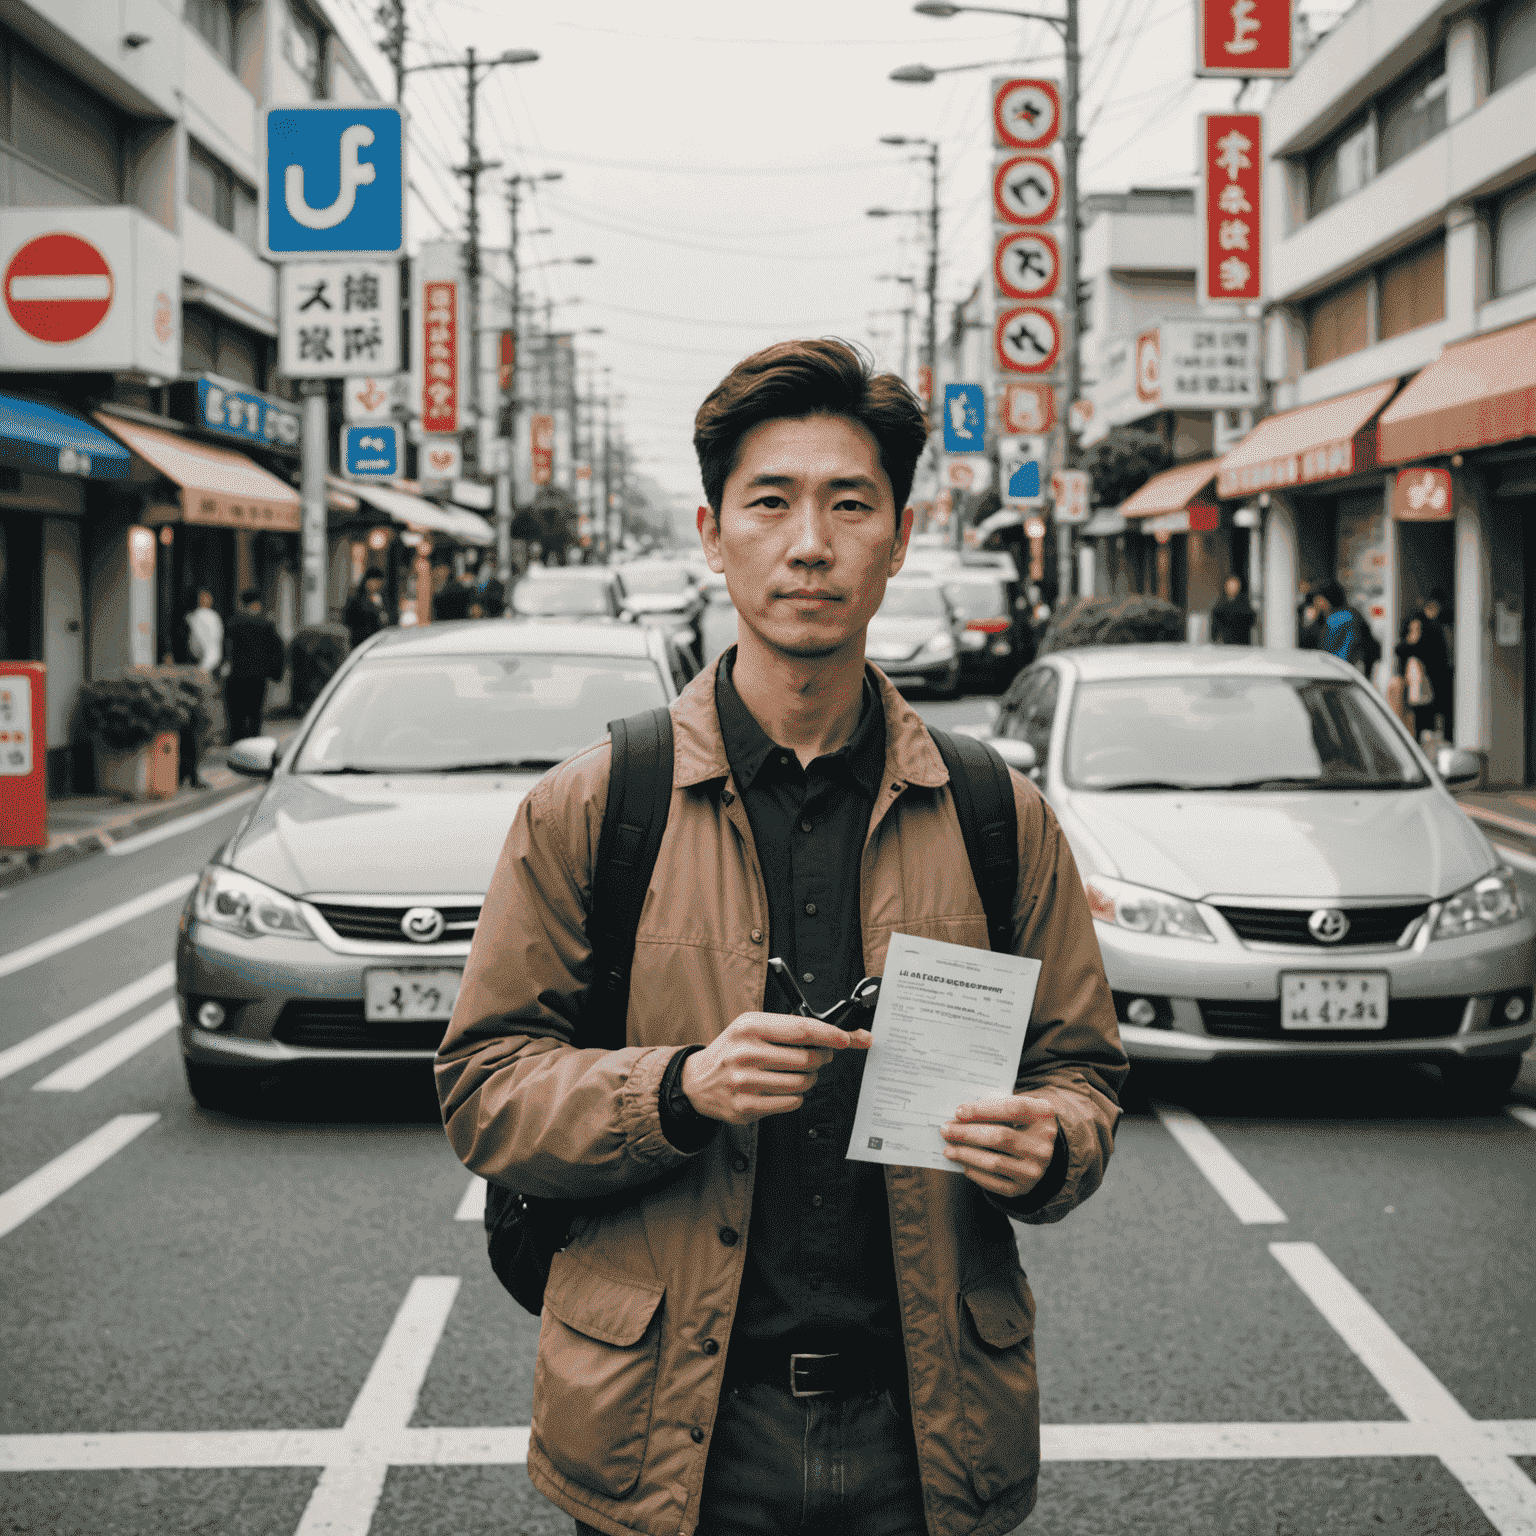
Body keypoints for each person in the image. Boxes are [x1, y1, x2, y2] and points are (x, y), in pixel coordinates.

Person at [436, 339, 1126, 1536]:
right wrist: (680, 1089)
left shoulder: (994, 812)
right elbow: (483, 1090)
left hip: (927, 1426)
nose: (810, 543)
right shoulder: (597, 806)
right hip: (672, 1428)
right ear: (713, 534)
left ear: (900, 538)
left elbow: (1081, 1071)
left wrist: (1052, 1142)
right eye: (771, 502)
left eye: (850, 504)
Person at [223, 589, 285, 744]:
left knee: (236, 711)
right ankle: (253, 740)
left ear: (243, 604)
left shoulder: (233, 623)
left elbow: (226, 648)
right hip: (258, 676)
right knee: (255, 710)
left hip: (237, 674)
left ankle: (236, 739)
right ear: (257, 604)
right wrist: (276, 673)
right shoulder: (266, 624)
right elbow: (277, 650)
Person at [1414, 588, 1454, 735]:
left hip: (1443, 673)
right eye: (1430, 607)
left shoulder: (1446, 624)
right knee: (1427, 713)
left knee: (1445, 710)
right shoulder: (1421, 624)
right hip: (1429, 674)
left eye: (1436, 606)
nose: (1433, 610)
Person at [1395, 615, 1438, 741]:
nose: (1415, 633)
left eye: (1418, 629)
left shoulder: (1427, 648)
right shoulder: (1404, 648)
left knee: (1424, 724)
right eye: (1412, 629)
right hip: (1408, 691)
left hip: (1424, 693)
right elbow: (1400, 650)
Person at [343, 569, 394, 648]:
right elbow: (349, 620)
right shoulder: (356, 599)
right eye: (374, 582)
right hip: (360, 640)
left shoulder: (384, 599)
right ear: (367, 582)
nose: (376, 585)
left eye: (379, 582)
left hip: (379, 640)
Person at [185, 589, 223, 677]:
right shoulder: (201, 616)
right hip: (205, 657)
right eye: (203, 597)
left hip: (205, 658)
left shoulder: (211, 615)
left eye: (208, 597)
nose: (207, 600)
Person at [1210, 573, 1256, 645]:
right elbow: (1215, 626)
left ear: (1238, 586)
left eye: (1234, 585)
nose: (1232, 588)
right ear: (1225, 586)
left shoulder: (1244, 603)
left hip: (1242, 643)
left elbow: (1251, 619)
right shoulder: (1220, 604)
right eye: (1230, 585)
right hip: (1225, 644)